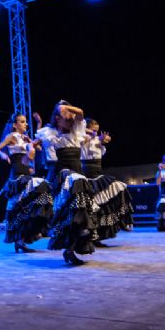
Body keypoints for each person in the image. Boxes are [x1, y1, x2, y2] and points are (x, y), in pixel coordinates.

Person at [41, 102, 97, 265]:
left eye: (70, 113)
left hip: (77, 173)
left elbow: (80, 111)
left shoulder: (76, 132)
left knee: (76, 215)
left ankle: (70, 250)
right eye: (65, 114)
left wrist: (65, 107)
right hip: (63, 175)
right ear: (57, 119)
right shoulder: (50, 133)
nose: (71, 116)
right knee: (76, 185)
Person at [0, 113, 53, 253]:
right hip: (18, 174)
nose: (26, 124)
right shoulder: (11, 137)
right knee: (21, 206)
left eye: (26, 122)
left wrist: (39, 124)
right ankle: (20, 240)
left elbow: (38, 145)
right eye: (22, 122)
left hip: (26, 173)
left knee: (30, 204)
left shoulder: (25, 138)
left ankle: (23, 238)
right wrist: (3, 155)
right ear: (15, 124)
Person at [80, 119, 134, 239]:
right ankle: (90, 235)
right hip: (88, 175)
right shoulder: (82, 138)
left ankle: (119, 223)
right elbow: (81, 132)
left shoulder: (97, 140)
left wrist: (103, 138)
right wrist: (92, 134)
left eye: (97, 130)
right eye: (94, 129)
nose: (96, 132)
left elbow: (105, 140)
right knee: (92, 206)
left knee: (119, 188)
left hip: (98, 173)